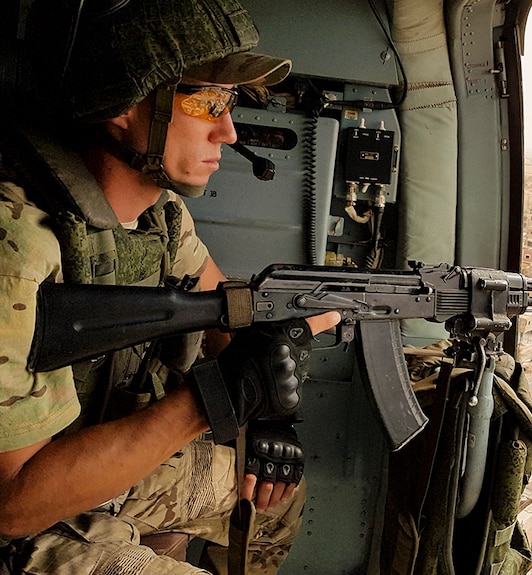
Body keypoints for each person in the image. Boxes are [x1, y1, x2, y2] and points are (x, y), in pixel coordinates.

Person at [0, 0, 340, 573]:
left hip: (92, 454)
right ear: (126, 105)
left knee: (277, 495)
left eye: (228, 103)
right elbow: (12, 506)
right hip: (22, 510)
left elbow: (226, 317)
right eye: (207, 100)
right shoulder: (18, 242)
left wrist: (268, 392)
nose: (228, 131)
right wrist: (211, 401)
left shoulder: (163, 218)